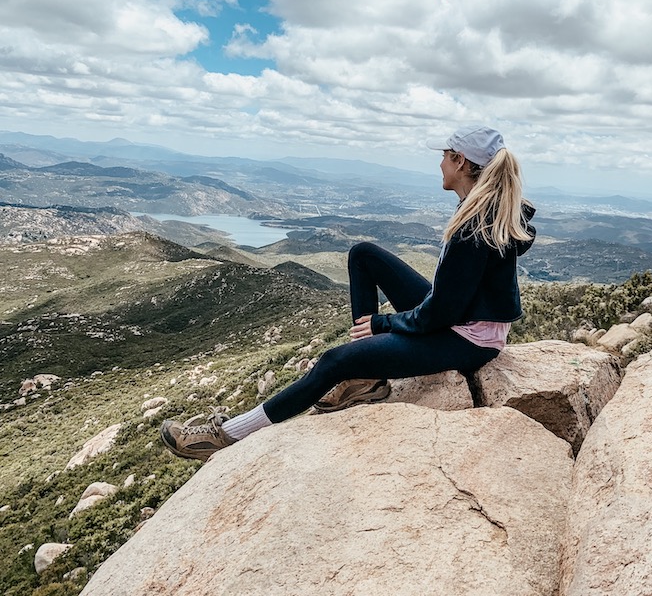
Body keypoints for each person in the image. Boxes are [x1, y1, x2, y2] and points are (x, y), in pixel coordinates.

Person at [160, 126, 536, 460]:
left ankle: (226, 435)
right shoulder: (484, 208)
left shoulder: (474, 226)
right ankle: (368, 379)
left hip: (467, 339)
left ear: (460, 161)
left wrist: (383, 323)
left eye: (443, 156)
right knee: (363, 255)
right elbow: (451, 298)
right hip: (462, 318)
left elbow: (443, 313)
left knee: (334, 360)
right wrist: (383, 325)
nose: (439, 164)